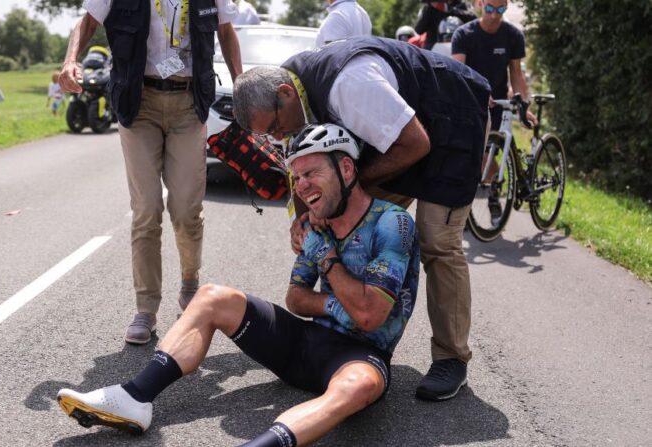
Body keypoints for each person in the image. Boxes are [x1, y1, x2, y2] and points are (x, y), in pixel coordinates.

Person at [56, 123, 421, 446]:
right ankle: (134, 398)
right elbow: (295, 298)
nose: (303, 186)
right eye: (297, 177)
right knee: (213, 296)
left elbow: (371, 317)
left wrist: (327, 260)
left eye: (311, 172)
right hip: (303, 345)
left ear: (345, 168)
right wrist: (337, 304)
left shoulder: (392, 224)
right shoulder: (317, 223)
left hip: (359, 357)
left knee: (360, 385)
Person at [232, 36, 491, 401]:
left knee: (437, 242)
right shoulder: (290, 95)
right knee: (340, 214)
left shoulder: (348, 85)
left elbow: (416, 143)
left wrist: (347, 186)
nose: (278, 137)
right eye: (268, 136)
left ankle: (452, 357)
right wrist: (304, 216)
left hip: (450, 123)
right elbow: (301, 161)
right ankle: (348, 324)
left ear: (285, 93)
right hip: (396, 137)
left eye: (275, 127)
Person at [59, 0, 242, 345]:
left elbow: (227, 31)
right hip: (137, 102)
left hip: (189, 103)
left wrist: (241, 83)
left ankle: (190, 280)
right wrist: (71, 61)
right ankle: (145, 309)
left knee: (187, 208)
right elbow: (86, 23)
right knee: (147, 210)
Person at [451, 0, 536, 129]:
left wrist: (523, 108)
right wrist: (479, 92)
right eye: (490, 9)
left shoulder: (514, 36)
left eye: (500, 10)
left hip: (498, 105)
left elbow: (516, 75)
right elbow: (458, 73)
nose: (494, 15)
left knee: (497, 145)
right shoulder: (463, 35)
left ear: (506, 6)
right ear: (481, 4)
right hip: (471, 104)